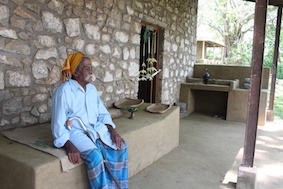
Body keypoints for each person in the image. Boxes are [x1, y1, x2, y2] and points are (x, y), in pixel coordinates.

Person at [51, 52, 128, 189]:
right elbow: (57, 125)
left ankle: (116, 186)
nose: (91, 70)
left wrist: (113, 131)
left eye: (91, 67)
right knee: (96, 158)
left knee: (121, 146)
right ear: (75, 72)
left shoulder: (92, 89)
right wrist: (68, 145)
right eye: (87, 68)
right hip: (75, 132)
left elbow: (103, 114)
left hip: (95, 128)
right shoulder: (64, 91)